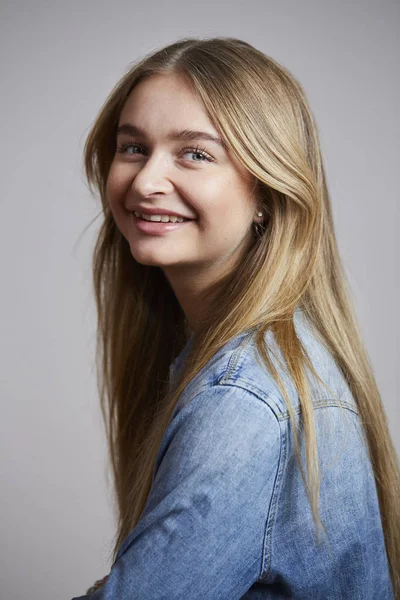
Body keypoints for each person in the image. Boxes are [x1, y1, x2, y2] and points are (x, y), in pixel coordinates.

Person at [71, 36, 399, 599]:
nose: (147, 180)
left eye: (194, 153)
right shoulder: (251, 359)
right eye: (133, 148)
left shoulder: (243, 397)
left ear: (268, 191)